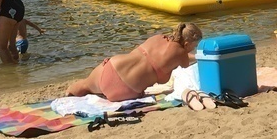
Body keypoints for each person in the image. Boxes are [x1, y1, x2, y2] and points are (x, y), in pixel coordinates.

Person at [66, 23, 203, 101]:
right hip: (127, 90)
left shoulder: (159, 37)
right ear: (186, 43)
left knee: (85, 84)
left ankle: (65, 97)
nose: (194, 48)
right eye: (194, 46)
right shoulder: (181, 54)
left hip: (113, 66)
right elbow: (186, 63)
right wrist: (200, 55)